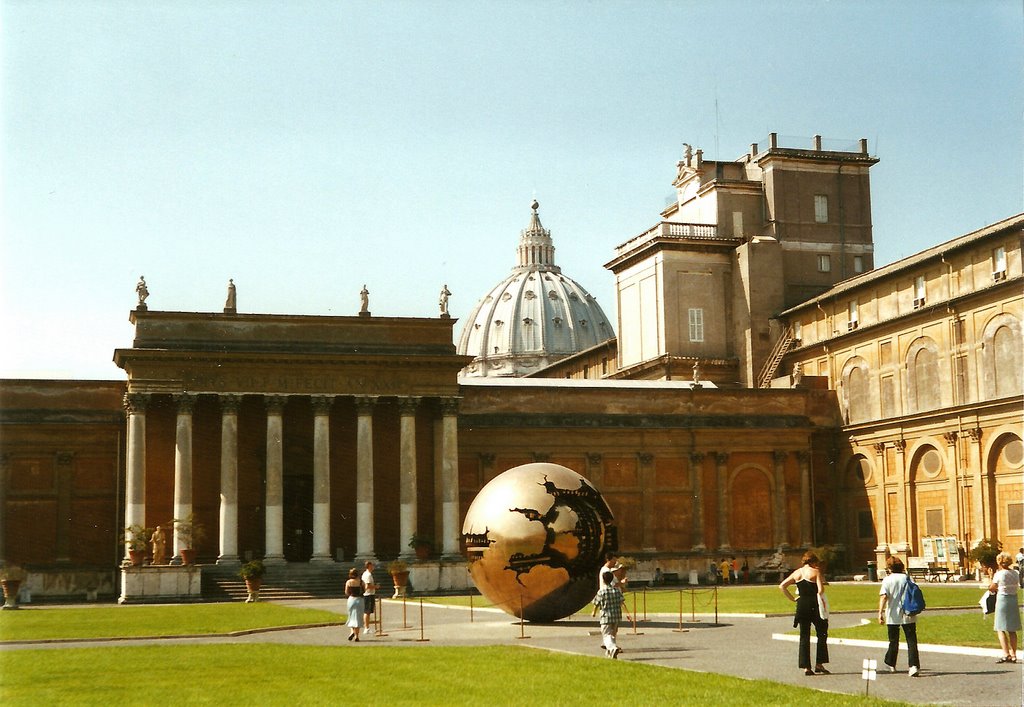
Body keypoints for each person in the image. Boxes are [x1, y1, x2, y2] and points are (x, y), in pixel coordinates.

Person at [779, 551, 830, 676]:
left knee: (804, 636)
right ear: (813, 562)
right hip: (814, 604)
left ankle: (806, 666)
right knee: (822, 633)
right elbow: (820, 590)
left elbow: (782, 586)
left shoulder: (797, 573)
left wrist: (793, 598)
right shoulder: (816, 572)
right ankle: (819, 663)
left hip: (801, 605)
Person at [878, 556, 920, 676]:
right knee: (911, 640)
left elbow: (884, 597)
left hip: (893, 614)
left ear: (890, 568)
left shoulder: (887, 580)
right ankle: (913, 665)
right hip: (908, 612)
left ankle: (891, 663)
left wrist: (880, 612)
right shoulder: (908, 578)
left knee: (893, 640)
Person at [989, 551, 1020, 663]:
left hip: (1003, 599)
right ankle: (1014, 654)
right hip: (1013, 599)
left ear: (1000, 562)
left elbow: (992, 588)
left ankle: (1006, 653)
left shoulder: (999, 574)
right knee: (1012, 629)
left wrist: (990, 576)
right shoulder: (1015, 573)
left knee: (1000, 627)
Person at [593, 569, 628, 658]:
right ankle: (610, 652)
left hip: (606, 617)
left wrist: (594, 612)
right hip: (616, 616)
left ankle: (612, 648)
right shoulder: (616, 591)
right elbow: (621, 602)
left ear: (603, 580)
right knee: (613, 633)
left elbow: (596, 603)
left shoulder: (601, 592)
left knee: (606, 635)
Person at [344, 567, 365, 642]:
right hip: (359, 600)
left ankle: (352, 631)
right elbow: (364, 590)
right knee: (358, 618)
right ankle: (357, 635)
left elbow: (346, 592)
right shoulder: (361, 582)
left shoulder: (349, 582)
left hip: (351, 599)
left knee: (351, 616)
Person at [361, 560, 377, 636]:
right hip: (368, 594)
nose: (373, 567)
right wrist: (376, 587)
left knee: (368, 612)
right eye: (372, 565)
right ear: (369, 566)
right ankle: (366, 628)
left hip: (368, 594)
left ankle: (367, 627)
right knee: (367, 612)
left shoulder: (365, 574)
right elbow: (367, 586)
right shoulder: (368, 575)